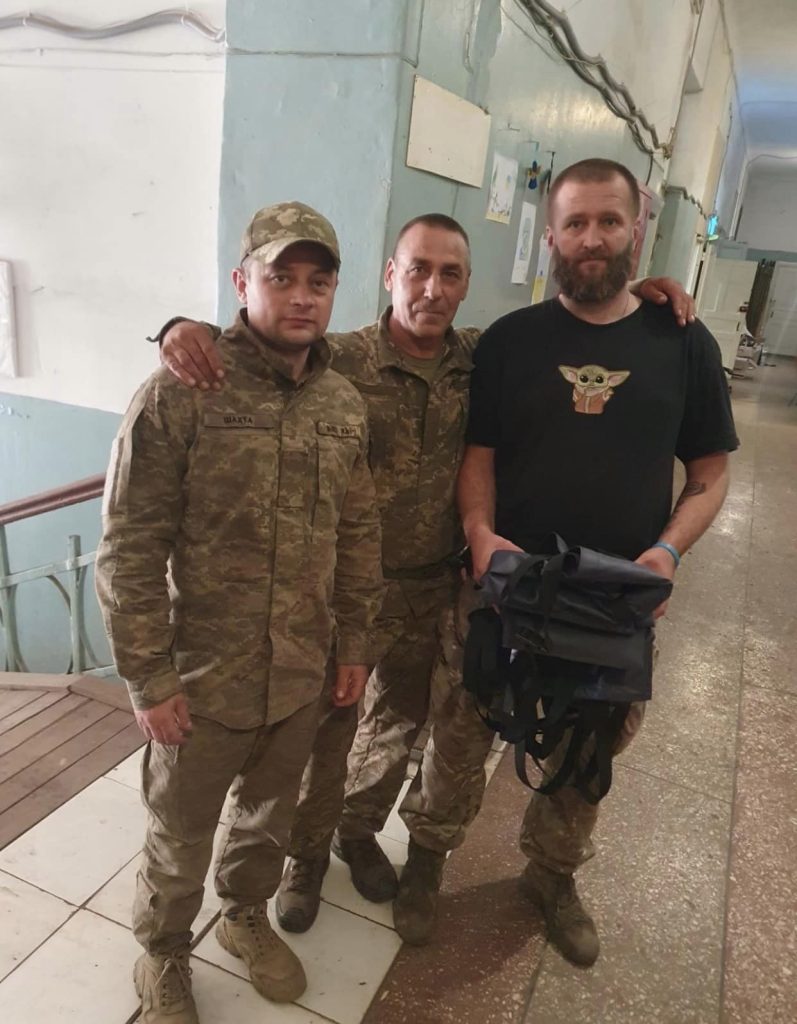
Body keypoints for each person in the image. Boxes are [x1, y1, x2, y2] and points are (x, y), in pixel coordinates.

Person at [156, 213, 695, 947]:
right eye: (417, 269)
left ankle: (356, 832)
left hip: (431, 588)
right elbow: (257, 345)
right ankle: (302, 860)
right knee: (324, 738)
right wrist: (181, 328)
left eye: (450, 274)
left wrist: (647, 292)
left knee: (395, 729)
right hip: (340, 594)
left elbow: (577, 329)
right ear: (390, 274)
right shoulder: (339, 358)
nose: (432, 289)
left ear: (466, 286)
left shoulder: (481, 357)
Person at [95, 201, 383, 1024]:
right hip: (201, 677)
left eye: (318, 281)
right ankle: (163, 952)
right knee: (180, 831)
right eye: (280, 277)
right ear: (241, 282)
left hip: (299, 670)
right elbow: (129, 549)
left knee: (267, 815)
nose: (301, 296)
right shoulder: (181, 392)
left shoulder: (342, 404)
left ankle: (244, 916)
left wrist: (353, 645)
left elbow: (357, 535)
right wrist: (149, 679)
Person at [458, 158, 739, 967]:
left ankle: (550, 876)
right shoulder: (509, 341)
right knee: (459, 737)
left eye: (607, 221)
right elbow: (478, 456)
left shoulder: (682, 344)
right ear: (549, 235)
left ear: (636, 229)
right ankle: (428, 855)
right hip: (507, 587)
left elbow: (710, 472)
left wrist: (666, 551)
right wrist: (478, 531)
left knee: (586, 757)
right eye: (574, 222)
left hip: (616, 601)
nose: (591, 238)